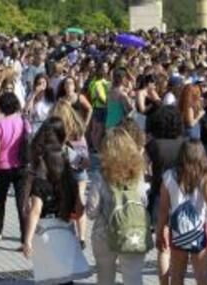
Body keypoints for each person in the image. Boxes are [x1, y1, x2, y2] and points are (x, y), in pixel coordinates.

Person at [22, 123, 90, 284]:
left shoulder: (40, 182)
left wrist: (27, 240)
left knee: (49, 279)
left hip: (44, 232)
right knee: (66, 279)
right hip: (66, 230)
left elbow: (35, 212)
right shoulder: (69, 180)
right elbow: (80, 213)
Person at [86, 127, 152, 285]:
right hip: (133, 230)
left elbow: (91, 212)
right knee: (133, 277)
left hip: (104, 233)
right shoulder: (138, 174)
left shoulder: (100, 176)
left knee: (105, 278)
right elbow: (144, 201)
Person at [156, 140, 207, 285]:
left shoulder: (169, 176)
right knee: (202, 274)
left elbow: (163, 210)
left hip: (178, 231)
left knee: (177, 274)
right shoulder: (205, 175)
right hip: (202, 230)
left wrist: (159, 233)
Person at [0, 92, 29, 249]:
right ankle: (24, 239)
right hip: (21, 166)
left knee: (0, 200)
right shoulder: (23, 121)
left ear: (1, 106)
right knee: (21, 203)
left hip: (3, 168)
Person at [51, 99, 89, 249]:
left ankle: (71, 234)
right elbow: (86, 155)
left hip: (64, 172)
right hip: (80, 171)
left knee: (66, 202)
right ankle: (82, 237)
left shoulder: (55, 130)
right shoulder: (78, 129)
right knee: (80, 201)